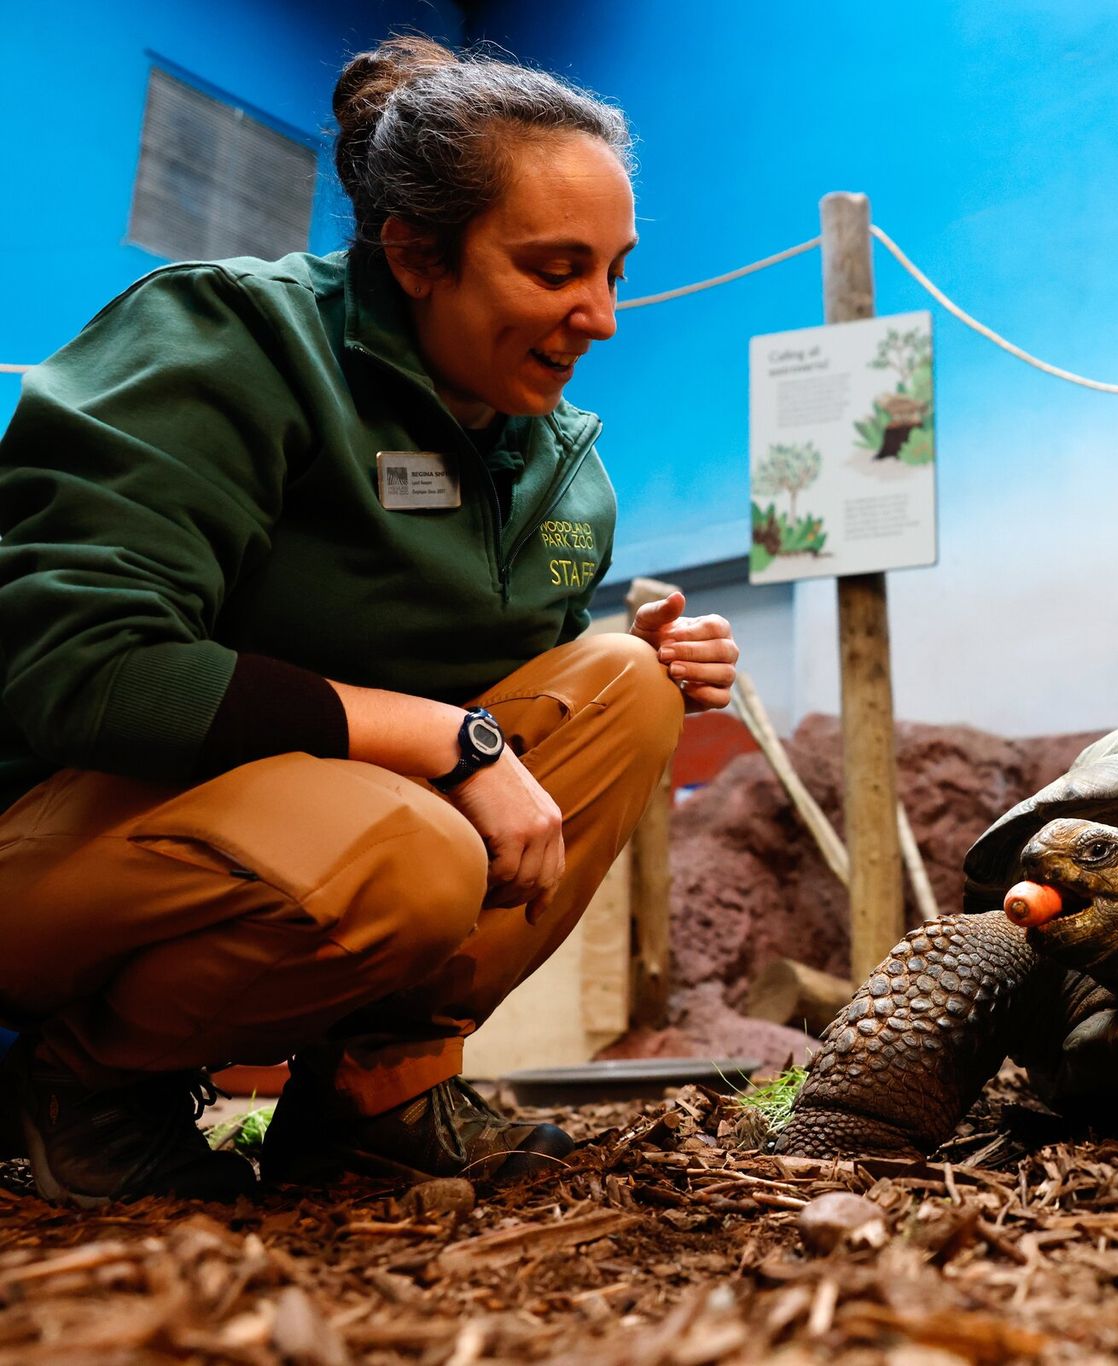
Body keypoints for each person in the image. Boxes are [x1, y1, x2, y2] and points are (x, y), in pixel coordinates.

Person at [0, 36, 739, 1206]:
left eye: (613, 270)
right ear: (415, 253)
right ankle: (82, 1084)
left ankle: (374, 1093)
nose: (597, 316)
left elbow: (509, 702)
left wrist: (641, 663)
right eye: (554, 270)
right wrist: (454, 744)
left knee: (624, 685)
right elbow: (81, 670)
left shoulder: (556, 465)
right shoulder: (232, 343)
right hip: (57, 840)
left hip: (314, 823)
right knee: (414, 847)